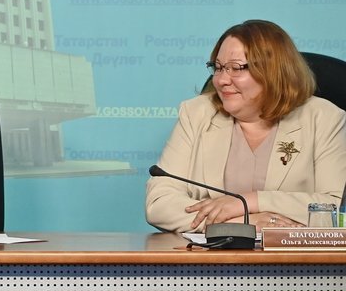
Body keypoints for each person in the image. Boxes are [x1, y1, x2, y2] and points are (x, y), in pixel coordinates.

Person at [145, 19, 346, 233]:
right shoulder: (197, 113)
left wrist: (250, 202)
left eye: (235, 68)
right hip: (213, 252)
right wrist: (243, 224)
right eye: (218, 68)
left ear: (272, 71)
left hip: (292, 253)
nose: (221, 80)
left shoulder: (324, 118)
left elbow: (334, 208)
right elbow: (159, 203)